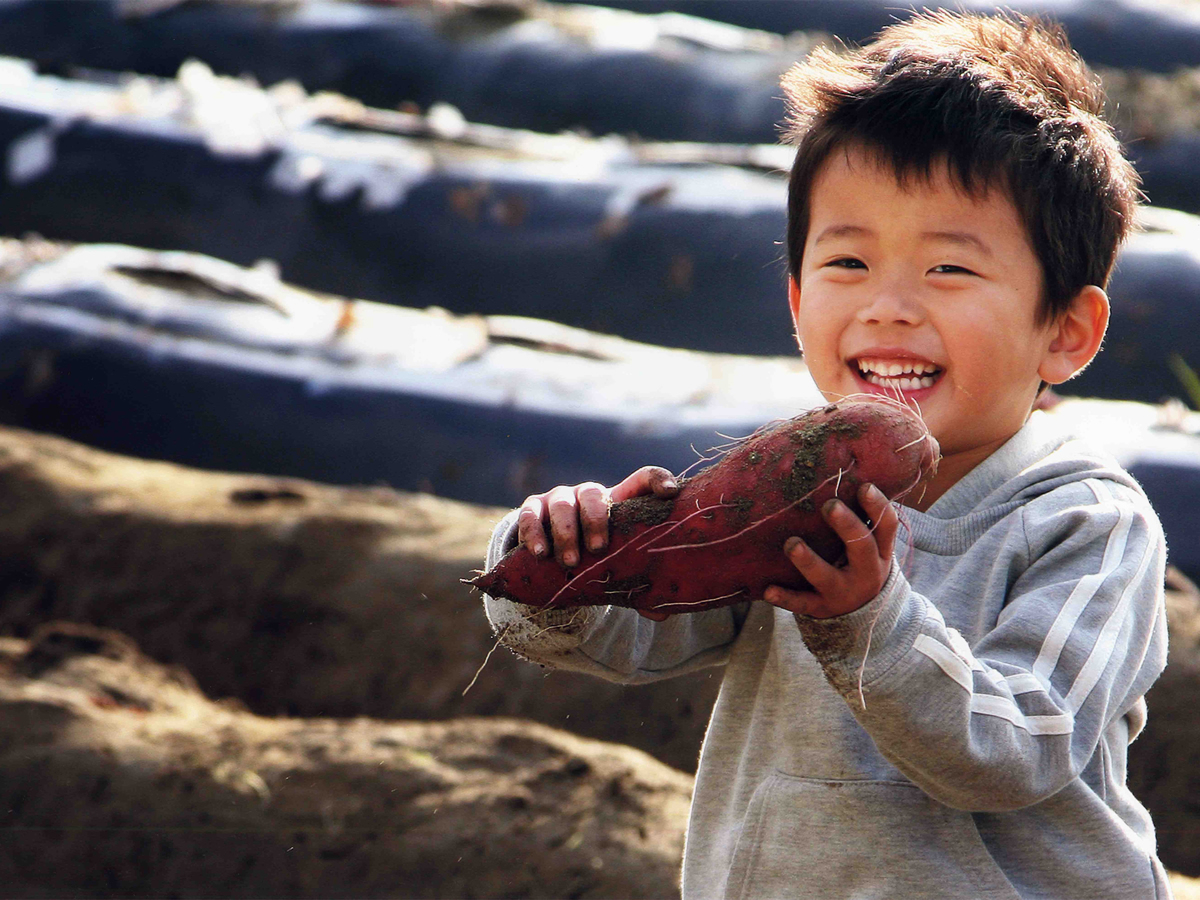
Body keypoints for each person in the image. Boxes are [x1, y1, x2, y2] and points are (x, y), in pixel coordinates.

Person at [479, 11, 1171, 899]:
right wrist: (565, 561)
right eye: (848, 263)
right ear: (798, 298)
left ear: (1067, 333)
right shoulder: (789, 491)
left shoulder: (1087, 525)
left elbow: (1019, 748)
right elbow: (638, 638)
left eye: (949, 270)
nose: (887, 307)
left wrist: (871, 622)